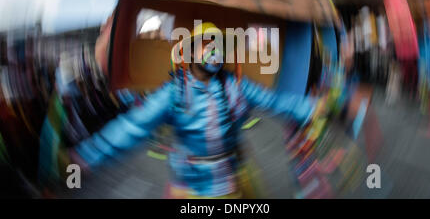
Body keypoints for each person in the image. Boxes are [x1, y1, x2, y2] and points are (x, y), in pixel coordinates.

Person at [58, 22, 323, 198]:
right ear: (191, 52)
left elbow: (275, 102)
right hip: (191, 189)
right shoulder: (173, 94)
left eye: (218, 45)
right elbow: (133, 126)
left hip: (236, 180)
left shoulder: (238, 87)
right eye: (207, 44)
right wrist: (86, 157)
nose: (214, 51)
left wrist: (314, 108)